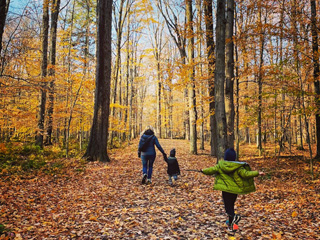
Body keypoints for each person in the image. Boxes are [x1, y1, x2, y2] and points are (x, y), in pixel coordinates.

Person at [201, 148, 264, 232]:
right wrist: (257, 173)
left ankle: (234, 217)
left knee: (228, 208)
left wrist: (203, 171)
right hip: (235, 191)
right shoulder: (238, 167)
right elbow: (246, 174)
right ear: (234, 158)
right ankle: (231, 225)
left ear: (225, 157)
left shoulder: (221, 165)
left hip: (226, 191)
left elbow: (211, 170)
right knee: (231, 206)